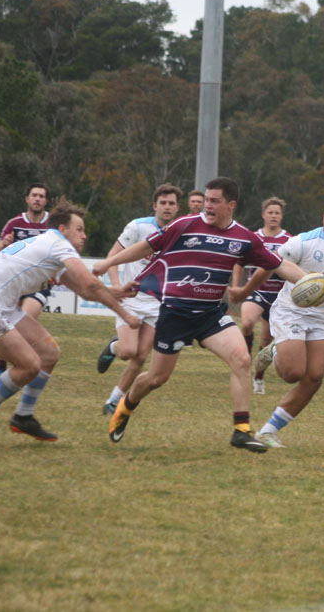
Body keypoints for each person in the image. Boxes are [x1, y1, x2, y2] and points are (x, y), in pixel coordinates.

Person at [93, 177, 304, 452]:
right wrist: (108, 262)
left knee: (241, 359)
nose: (208, 205)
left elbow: (279, 264)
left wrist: (310, 281)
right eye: (206, 200)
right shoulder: (184, 225)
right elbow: (146, 247)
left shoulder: (243, 238)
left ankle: (241, 430)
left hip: (210, 315)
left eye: (215, 201)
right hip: (175, 314)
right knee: (156, 378)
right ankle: (127, 405)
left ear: (231, 204)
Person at [0, 200, 141, 447]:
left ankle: (23, 416)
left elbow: (85, 291)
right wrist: (126, 315)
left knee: (49, 353)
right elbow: (90, 284)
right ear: (62, 229)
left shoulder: (49, 246)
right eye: (79, 229)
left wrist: (119, 292)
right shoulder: (58, 244)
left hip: (2, 306)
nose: (84, 235)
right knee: (29, 366)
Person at [249, 194, 324, 448]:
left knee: (314, 377)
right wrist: (244, 290)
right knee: (293, 373)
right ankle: (277, 348)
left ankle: (268, 431)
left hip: (319, 316)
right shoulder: (302, 242)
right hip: (289, 311)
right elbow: (269, 264)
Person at [96, 183, 183, 415]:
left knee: (141, 357)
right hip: (131, 299)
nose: (167, 207)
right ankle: (113, 347)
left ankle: (113, 401)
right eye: (163, 203)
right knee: (128, 351)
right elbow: (113, 256)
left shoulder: (181, 232)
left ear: (177, 208)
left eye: (171, 204)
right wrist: (117, 287)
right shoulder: (138, 227)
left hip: (157, 304)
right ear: (155, 205)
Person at [0, 183, 52, 379]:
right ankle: (1, 365)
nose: (37, 199)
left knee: (24, 320)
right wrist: (4, 243)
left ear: (46, 201)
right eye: (34, 195)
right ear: (27, 199)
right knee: (7, 323)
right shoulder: (15, 223)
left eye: (41, 196)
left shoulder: (52, 224)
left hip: (39, 284)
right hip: (15, 282)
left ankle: (21, 363)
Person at [233, 196, 291, 394]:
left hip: (278, 297)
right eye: (270, 212)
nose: (273, 216)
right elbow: (239, 263)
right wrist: (236, 287)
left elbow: (294, 266)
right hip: (257, 290)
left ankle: (259, 376)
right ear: (263, 215)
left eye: (277, 213)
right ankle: (245, 359)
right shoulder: (253, 237)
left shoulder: (289, 240)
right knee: (247, 322)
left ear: (281, 216)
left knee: (266, 340)